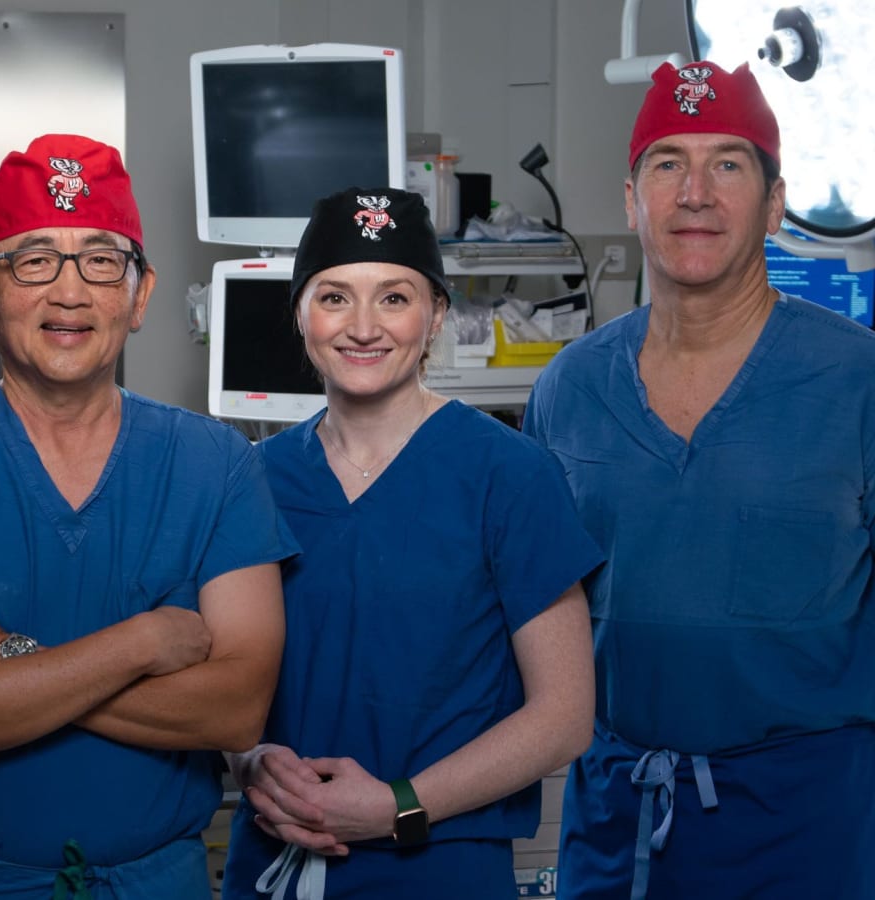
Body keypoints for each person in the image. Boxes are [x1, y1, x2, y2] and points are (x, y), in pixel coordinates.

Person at [0, 133, 296, 899]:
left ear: (139, 295)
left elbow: (234, 711)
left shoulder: (216, 466)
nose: (70, 292)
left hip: (154, 882)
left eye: (102, 260)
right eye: (33, 260)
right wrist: (141, 642)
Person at [524, 61, 875, 900]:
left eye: (728, 164)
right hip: (618, 817)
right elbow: (528, 611)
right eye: (667, 164)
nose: (695, 192)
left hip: (813, 819)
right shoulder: (570, 390)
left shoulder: (854, 379)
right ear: (630, 199)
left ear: (775, 200)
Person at [220, 187, 603, 899]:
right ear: (300, 313)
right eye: (335, 297)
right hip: (277, 862)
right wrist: (251, 761)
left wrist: (400, 805)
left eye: (394, 298)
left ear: (436, 318)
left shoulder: (510, 476)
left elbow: (564, 717)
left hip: (441, 868)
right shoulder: (252, 481)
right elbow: (222, 680)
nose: (364, 327)